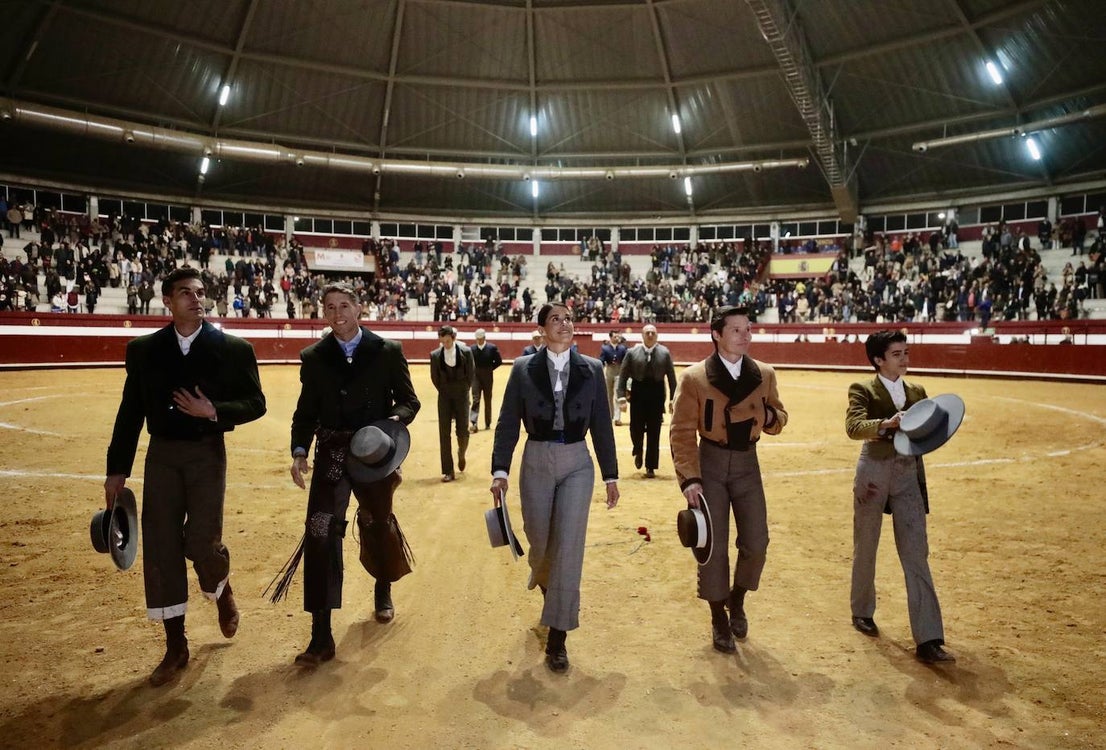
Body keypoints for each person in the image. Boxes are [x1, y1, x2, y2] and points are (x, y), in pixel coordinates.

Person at [103, 267, 267, 686]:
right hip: (161, 455)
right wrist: (117, 469)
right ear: (167, 301)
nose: (196, 299)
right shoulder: (144, 350)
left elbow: (256, 403)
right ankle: (176, 646)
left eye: (199, 292)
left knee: (202, 541)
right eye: (185, 293)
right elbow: (130, 412)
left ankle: (221, 588)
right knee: (160, 544)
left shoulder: (233, 348)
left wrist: (214, 411)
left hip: (207, 452)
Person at [288, 283, 421, 666]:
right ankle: (321, 633)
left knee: (378, 522)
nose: (338, 313)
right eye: (330, 306)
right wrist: (300, 450)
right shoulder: (314, 357)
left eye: (344, 305)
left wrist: (391, 422)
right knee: (319, 530)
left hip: (372, 453)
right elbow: (306, 411)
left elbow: (409, 401)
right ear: (324, 313)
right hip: (331, 451)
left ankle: (383, 586)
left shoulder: (387, 350)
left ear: (359, 308)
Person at [490, 302, 619, 673]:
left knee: (569, 546)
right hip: (536, 458)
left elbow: (601, 424)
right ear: (542, 330)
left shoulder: (591, 368)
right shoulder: (523, 368)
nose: (565, 324)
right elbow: (508, 421)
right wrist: (500, 469)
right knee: (541, 542)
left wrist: (610, 475)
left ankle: (558, 635)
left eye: (568, 318)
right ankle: (551, 590)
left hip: (578, 461)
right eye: (556, 319)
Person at [669, 305, 787, 653]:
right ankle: (718, 615)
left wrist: (769, 416)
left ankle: (738, 597)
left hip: (748, 462)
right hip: (711, 463)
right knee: (713, 545)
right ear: (716, 334)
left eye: (748, 329)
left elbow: (779, 417)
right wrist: (690, 478)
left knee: (757, 541)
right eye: (736, 330)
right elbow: (681, 431)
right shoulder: (694, 378)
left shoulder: (764, 373)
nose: (745, 335)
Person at [845, 330, 954, 664]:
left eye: (906, 352)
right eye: (897, 354)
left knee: (916, 552)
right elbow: (853, 427)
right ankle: (862, 610)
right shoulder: (862, 389)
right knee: (866, 544)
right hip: (874, 472)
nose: (904, 359)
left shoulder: (917, 392)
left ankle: (929, 637)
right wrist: (887, 424)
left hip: (907, 472)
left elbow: (930, 434)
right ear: (878, 360)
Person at [616, 324, 676, 478]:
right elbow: (623, 376)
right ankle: (638, 449)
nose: (650, 335)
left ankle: (651, 466)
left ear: (657, 335)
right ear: (642, 335)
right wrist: (621, 397)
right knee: (635, 427)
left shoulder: (664, 353)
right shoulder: (632, 352)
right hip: (638, 392)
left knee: (654, 430)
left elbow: (671, 377)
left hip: (657, 394)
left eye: (653, 333)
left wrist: (672, 399)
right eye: (647, 332)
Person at [430, 325, 475, 482]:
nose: (445, 344)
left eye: (448, 341)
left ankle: (461, 453)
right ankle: (448, 470)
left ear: (453, 338)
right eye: (442, 342)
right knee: (444, 433)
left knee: (462, 431)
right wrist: (444, 390)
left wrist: (463, 389)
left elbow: (471, 374)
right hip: (444, 396)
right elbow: (434, 377)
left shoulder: (466, 352)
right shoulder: (435, 355)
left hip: (462, 394)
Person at [469, 328, 503, 433]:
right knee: (476, 399)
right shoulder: (472, 349)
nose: (479, 341)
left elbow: (499, 361)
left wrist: (490, 369)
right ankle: (474, 422)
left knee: (487, 399)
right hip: (475, 376)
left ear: (484, 338)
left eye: (480, 339)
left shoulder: (492, 348)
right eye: (477, 339)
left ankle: (488, 423)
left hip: (488, 376)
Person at [598, 330, 628, 427]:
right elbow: (602, 360)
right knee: (609, 395)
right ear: (610, 338)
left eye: (617, 337)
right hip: (609, 372)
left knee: (617, 395)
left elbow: (626, 361)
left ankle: (617, 418)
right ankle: (610, 416)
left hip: (619, 372)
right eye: (615, 337)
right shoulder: (605, 348)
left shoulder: (622, 348)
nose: (617, 338)